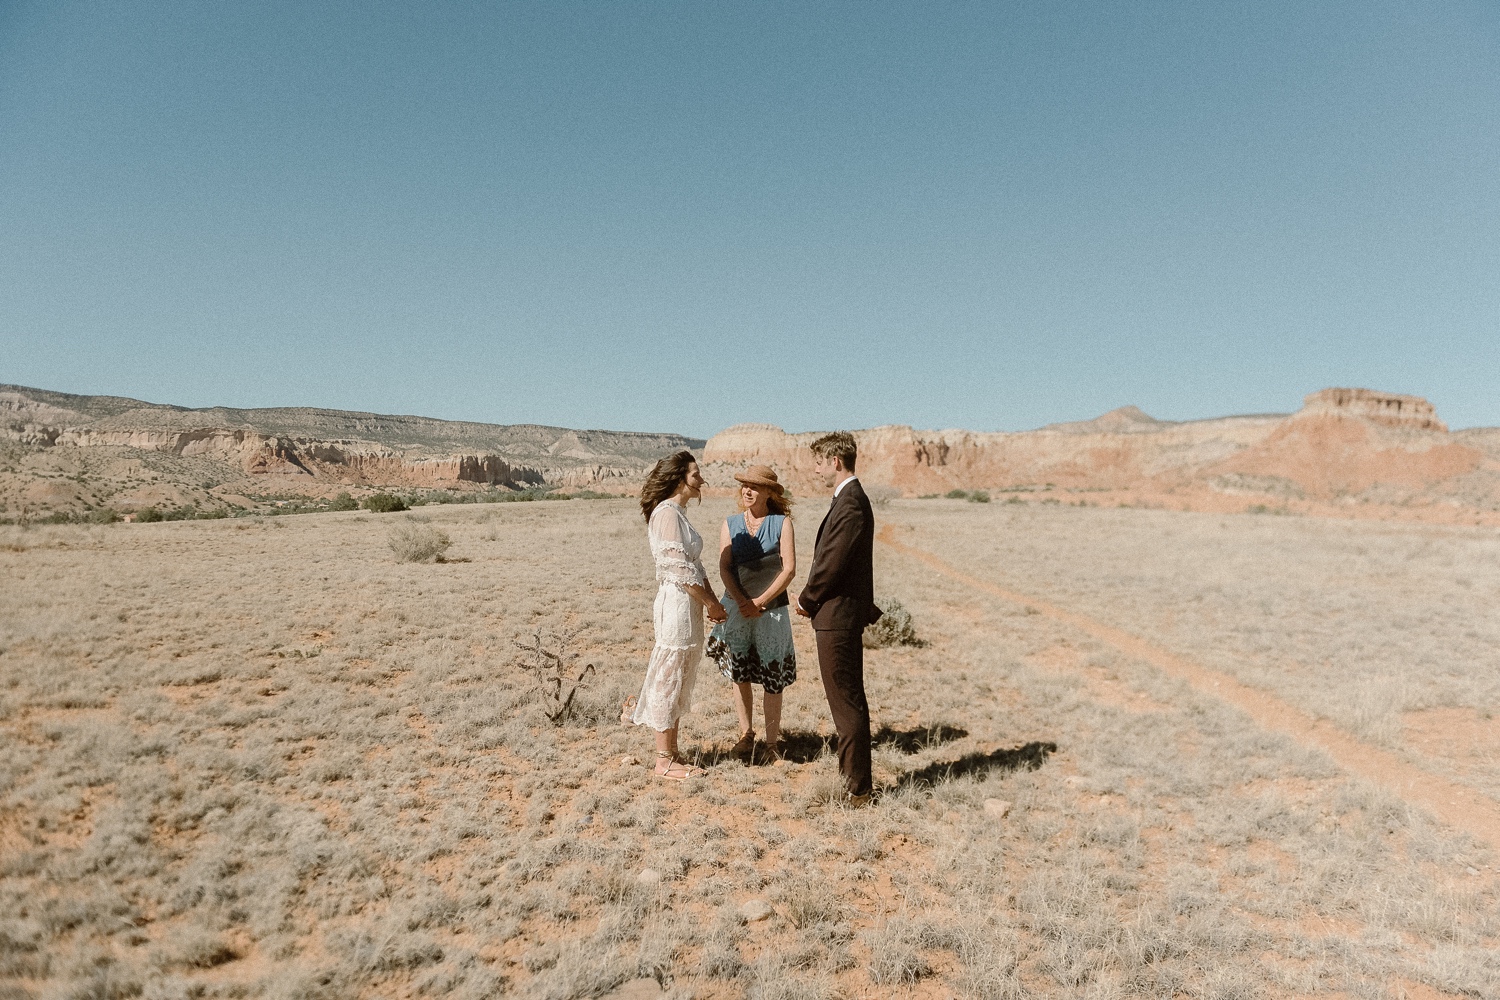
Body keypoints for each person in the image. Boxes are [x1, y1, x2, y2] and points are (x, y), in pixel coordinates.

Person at [795, 432, 881, 805]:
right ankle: (854, 783)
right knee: (846, 699)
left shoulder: (850, 503)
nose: (815, 470)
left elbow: (830, 562)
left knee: (846, 701)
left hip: (837, 614)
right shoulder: (849, 499)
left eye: (818, 462)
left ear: (834, 462)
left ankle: (857, 790)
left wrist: (807, 599)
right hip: (839, 613)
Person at [633, 451, 728, 779]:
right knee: (669, 676)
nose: (702, 480)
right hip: (677, 603)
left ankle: (671, 753)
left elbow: (695, 567)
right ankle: (663, 760)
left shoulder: (677, 513)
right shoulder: (667, 514)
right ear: (679, 478)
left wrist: (713, 602)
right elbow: (680, 571)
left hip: (688, 604)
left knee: (680, 675)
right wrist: (709, 603)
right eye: (696, 474)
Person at [706, 465, 797, 764]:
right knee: (739, 672)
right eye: (745, 485)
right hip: (737, 606)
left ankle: (772, 745)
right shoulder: (730, 523)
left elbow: (789, 569)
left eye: (755, 487)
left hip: (770, 611)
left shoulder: (782, 523)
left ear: (770, 492)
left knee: (772, 676)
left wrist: (759, 601)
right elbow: (724, 566)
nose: (748, 491)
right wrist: (744, 601)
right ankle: (746, 735)